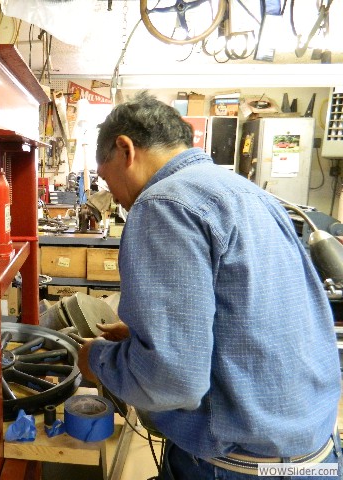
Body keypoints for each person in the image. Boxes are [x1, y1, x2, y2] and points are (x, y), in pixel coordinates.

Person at [77, 91, 342, 479]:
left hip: (238, 466)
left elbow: (171, 383)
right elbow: (249, 316)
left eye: (106, 178)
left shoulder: (163, 203)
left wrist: (99, 361)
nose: (114, 197)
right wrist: (146, 338)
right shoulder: (249, 194)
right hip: (315, 456)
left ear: (124, 149)